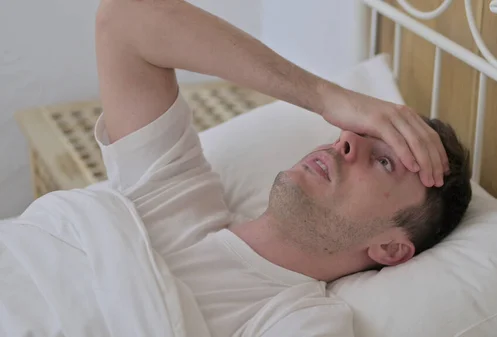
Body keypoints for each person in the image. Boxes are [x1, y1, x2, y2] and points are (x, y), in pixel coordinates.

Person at [5, 0, 471, 336]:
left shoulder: (295, 318)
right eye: (354, 132)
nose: (347, 141)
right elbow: (125, 19)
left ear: (391, 248)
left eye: (384, 161)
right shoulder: (172, 194)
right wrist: (329, 97)